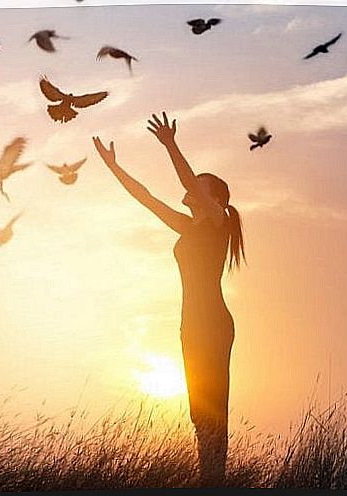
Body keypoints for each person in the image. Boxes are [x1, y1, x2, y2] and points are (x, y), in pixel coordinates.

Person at [92, 112, 245, 486]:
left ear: (215, 199)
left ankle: (215, 479)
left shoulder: (216, 220)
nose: (191, 186)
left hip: (211, 321)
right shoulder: (189, 225)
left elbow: (186, 178)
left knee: (212, 408)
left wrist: (170, 144)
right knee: (198, 409)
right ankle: (209, 477)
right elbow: (145, 198)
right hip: (191, 322)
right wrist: (114, 167)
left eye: (200, 184)